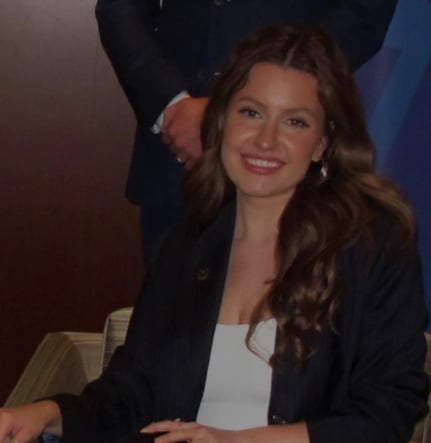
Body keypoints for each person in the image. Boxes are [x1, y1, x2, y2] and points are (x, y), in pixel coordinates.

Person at [0, 24, 428, 443]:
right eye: (251, 113)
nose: (265, 140)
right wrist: (46, 415)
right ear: (222, 122)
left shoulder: (370, 245)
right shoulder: (187, 247)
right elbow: (130, 393)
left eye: (295, 122)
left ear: (323, 144)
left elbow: (388, 412)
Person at [95, 0, 399, 261]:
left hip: (288, 161)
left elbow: (365, 11)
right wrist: (170, 106)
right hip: (177, 159)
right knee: (170, 309)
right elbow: (120, 8)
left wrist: (265, 97)